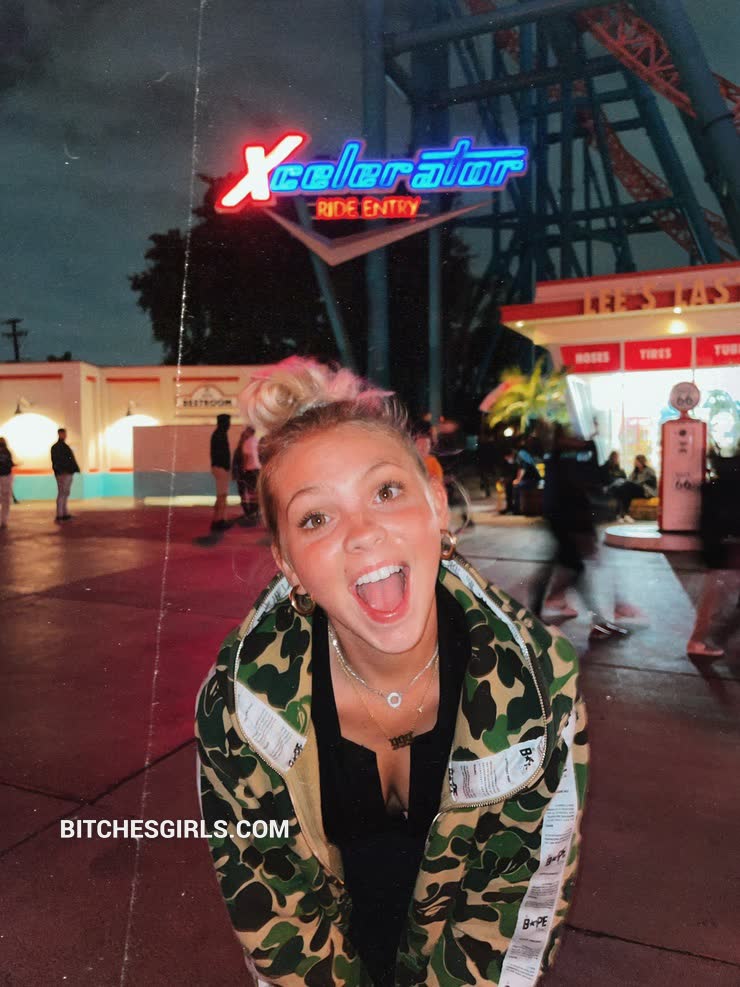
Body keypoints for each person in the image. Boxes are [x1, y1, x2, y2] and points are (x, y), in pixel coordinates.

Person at [196, 357, 589, 987]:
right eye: (316, 517)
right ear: (288, 564)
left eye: (385, 492)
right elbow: (275, 918)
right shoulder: (242, 707)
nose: (362, 533)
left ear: (436, 506)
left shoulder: (540, 687)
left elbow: (512, 915)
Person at [687, 446, 740, 658]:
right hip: (726, 551)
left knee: (716, 597)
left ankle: (701, 639)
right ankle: (698, 640)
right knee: (716, 599)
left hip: (719, 550)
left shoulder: (713, 488)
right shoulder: (728, 489)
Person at [613, 454, 657, 522]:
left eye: (637, 462)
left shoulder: (649, 470)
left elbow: (652, 483)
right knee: (625, 492)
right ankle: (625, 515)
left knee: (627, 486)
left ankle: (621, 515)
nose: (636, 463)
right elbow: (628, 480)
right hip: (637, 490)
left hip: (647, 491)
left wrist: (638, 483)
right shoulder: (635, 472)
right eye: (636, 462)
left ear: (642, 462)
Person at [232, 424, 261, 521]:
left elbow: (244, 458)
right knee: (253, 492)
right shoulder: (255, 441)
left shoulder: (245, 444)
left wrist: (241, 470)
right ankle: (252, 512)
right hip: (253, 470)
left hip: (247, 471)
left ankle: (250, 512)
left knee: (247, 492)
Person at [51, 428, 80, 522]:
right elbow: (61, 461)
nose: (65, 436)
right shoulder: (60, 447)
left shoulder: (59, 447)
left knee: (64, 493)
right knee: (62, 493)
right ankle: (60, 514)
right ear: (60, 434)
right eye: (63, 434)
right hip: (64, 473)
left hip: (63, 473)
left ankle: (63, 513)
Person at [210, 413, 232, 531]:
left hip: (218, 467)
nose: (229, 425)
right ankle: (219, 521)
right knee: (222, 496)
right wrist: (227, 468)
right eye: (228, 422)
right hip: (221, 468)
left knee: (221, 495)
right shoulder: (221, 435)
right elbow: (223, 454)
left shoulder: (217, 434)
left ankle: (218, 519)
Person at [0, 437, 16, 529]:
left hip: (5, 476)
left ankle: (3, 521)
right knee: (6, 499)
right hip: (6, 476)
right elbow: (10, 463)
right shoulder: (7, 451)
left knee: (4, 498)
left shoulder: (7, 452)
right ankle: (4, 521)